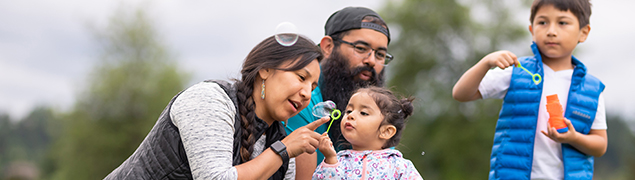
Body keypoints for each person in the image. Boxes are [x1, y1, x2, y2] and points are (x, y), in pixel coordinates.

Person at [105, 35, 330, 180]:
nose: (307, 94)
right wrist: (283, 151)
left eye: (312, 87)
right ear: (266, 70)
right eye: (301, 77)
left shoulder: (278, 141)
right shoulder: (211, 100)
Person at [451, 0, 607, 179]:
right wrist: (486, 63)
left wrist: (573, 138)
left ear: (583, 32)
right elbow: (461, 94)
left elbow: (600, 145)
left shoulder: (591, 88)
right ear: (532, 30)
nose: (551, 31)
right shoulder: (517, 71)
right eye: (542, 22)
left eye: (562, 23)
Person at [284, 6, 394, 179]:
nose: (371, 61)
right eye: (360, 48)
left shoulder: (381, 115)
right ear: (328, 46)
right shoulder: (301, 100)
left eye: (380, 54)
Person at [312, 87, 422, 179]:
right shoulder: (338, 162)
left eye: (363, 113)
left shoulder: (400, 167)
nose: (350, 115)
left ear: (386, 131)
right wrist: (330, 160)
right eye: (349, 110)